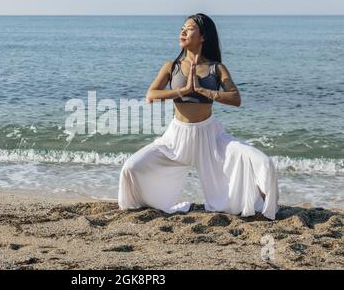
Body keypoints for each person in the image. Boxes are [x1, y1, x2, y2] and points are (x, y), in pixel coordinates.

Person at [118, 13, 279, 220]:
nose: (183, 31)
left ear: (203, 37)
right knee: (131, 168)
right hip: (176, 138)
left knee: (263, 163)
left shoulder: (216, 68)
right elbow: (151, 95)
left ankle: (266, 208)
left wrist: (205, 91)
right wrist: (183, 91)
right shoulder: (172, 66)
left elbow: (235, 98)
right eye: (182, 27)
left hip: (210, 137)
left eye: (190, 28)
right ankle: (146, 206)